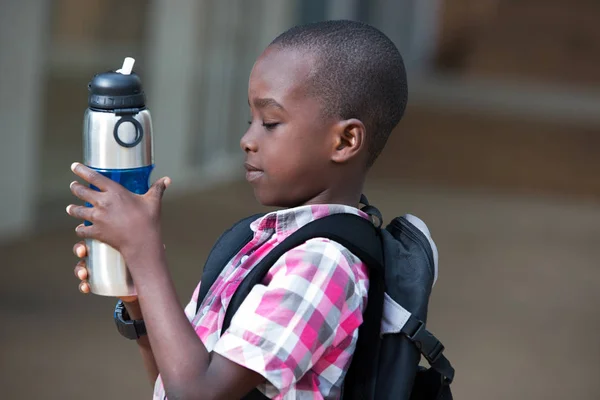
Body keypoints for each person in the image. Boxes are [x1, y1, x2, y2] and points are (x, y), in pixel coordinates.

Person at [66, 19, 407, 400]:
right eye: (251, 121)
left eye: (271, 123)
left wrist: (145, 256)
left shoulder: (322, 263)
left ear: (345, 140)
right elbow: (174, 383)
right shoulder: (265, 244)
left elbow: (198, 395)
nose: (247, 140)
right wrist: (138, 297)